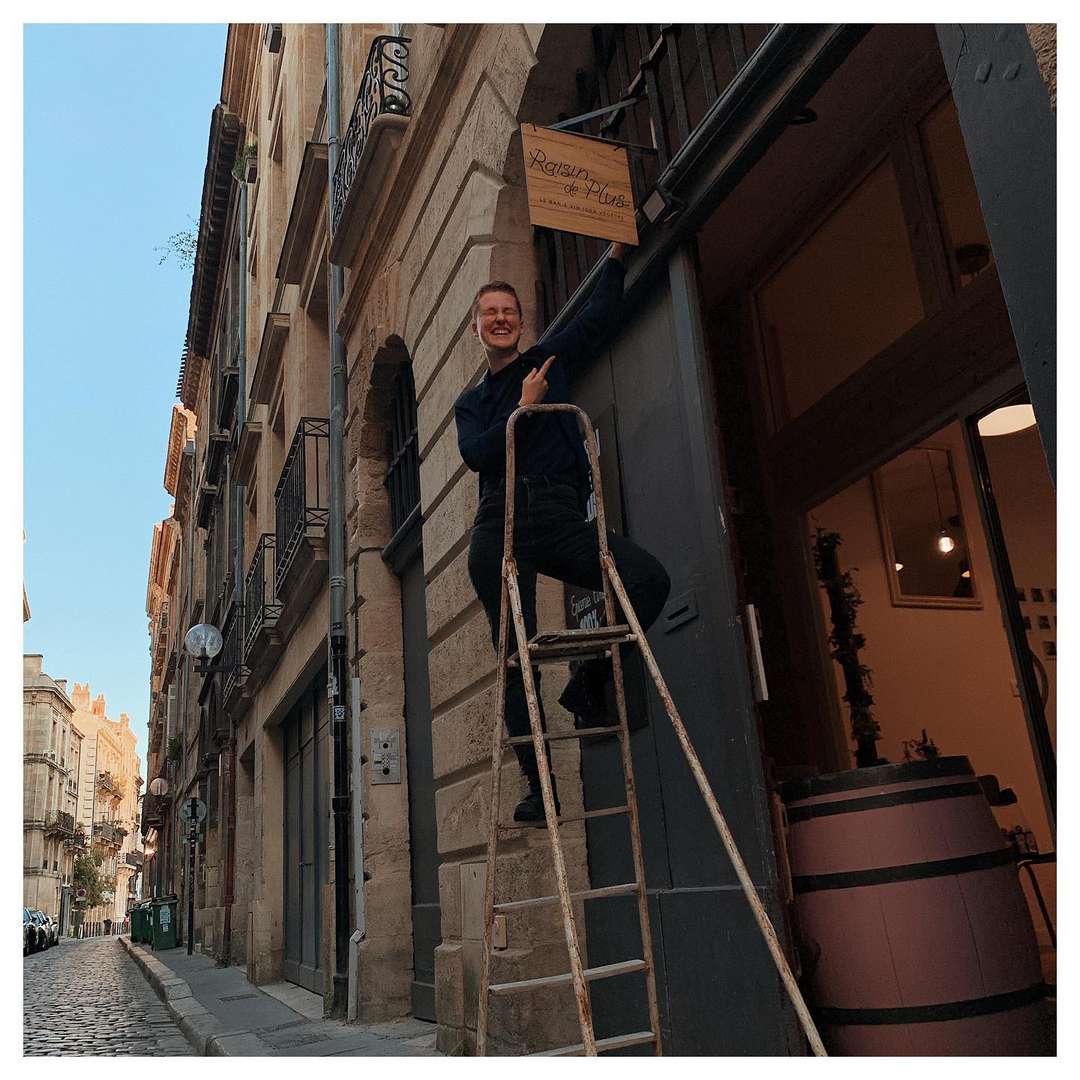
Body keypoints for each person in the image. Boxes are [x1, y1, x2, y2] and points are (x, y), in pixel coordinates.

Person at [455, 242, 671, 823]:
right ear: (477, 327)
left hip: (556, 517)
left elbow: (596, 318)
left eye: (509, 311)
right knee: (513, 660)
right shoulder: (472, 402)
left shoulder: (546, 361)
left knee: (648, 580)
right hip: (498, 527)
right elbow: (477, 455)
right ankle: (537, 785)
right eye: (489, 313)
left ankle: (590, 676)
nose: (500, 320)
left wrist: (618, 257)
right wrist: (522, 410)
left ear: (520, 322)